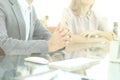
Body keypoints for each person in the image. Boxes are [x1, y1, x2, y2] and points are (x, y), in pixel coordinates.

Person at [0, 0, 71, 56]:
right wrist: (48, 45)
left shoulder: (31, 9)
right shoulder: (2, 4)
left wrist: (61, 39)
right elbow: (3, 44)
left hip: (21, 71)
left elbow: (45, 35)